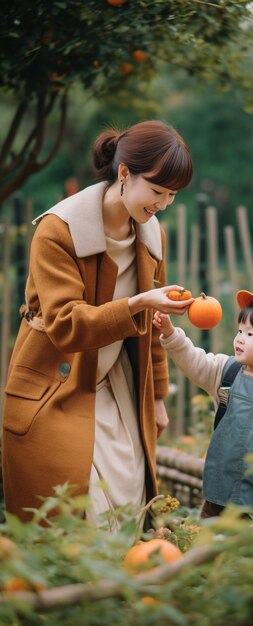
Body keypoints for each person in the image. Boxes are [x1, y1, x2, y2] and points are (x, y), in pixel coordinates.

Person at [2, 120, 195, 527]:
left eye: (173, 194)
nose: (163, 203)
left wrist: (157, 395)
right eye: (157, 191)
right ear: (124, 174)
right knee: (69, 510)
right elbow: (65, 324)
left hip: (117, 380)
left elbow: (154, 323)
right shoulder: (59, 230)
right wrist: (138, 301)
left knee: (127, 501)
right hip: (56, 384)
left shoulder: (151, 233)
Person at [153, 290, 253, 517]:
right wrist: (170, 334)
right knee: (207, 547)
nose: (240, 338)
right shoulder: (225, 371)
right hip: (215, 497)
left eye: (250, 334)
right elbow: (194, 362)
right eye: (239, 331)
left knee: (243, 551)